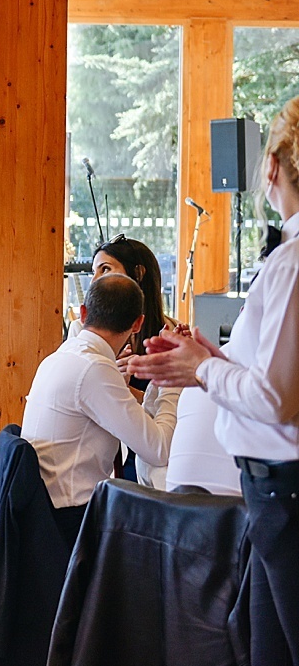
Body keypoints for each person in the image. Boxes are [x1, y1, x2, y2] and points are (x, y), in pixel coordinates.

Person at [131, 95, 299, 666]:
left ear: (271, 167)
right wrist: (210, 358)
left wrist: (201, 370)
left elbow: (276, 399)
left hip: (284, 490)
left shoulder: (291, 262)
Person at [22, 274, 177, 542]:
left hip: (43, 512)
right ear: (138, 323)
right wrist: (172, 383)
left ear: (83, 313)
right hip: (70, 522)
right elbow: (159, 450)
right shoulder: (95, 369)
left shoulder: (60, 356)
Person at [80, 233, 182, 489]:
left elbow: (174, 416)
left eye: (105, 269)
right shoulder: (85, 336)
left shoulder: (172, 334)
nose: (94, 281)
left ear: (138, 274)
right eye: (93, 271)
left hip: (154, 458)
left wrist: (125, 391)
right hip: (107, 461)